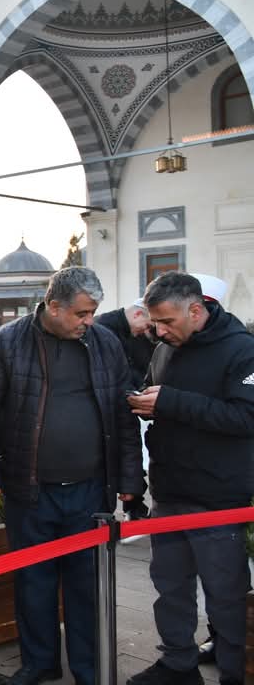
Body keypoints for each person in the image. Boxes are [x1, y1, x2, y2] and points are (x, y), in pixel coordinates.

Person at [0, 266, 144, 685]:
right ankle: (40, 663)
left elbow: (123, 415)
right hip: (29, 489)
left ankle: (88, 669)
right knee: (34, 582)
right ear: (53, 306)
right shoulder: (7, 341)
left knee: (86, 586)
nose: (90, 321)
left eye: (93, 313)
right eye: (82, 313)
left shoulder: (105, 343)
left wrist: (130, 480)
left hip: (90, 490)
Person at [126, 272, 254, 685]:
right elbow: (157, 394)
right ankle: (177, 664)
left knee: (225, 596)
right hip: (170, 493)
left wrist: (171, 402)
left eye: (167, 322)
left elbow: (246, 417)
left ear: (196, 310)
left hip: (218, 500)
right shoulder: (165, 348)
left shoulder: (243, 350)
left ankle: (234, 672)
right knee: (170, 589)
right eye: (155, 322)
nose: (159, 331)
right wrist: (141, 399)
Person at [96, 300, 156, 522]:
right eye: (148, 326)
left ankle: (134, 503)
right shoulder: (104, 330)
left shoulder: (134, 335)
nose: (147, 331)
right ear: (138, 314)